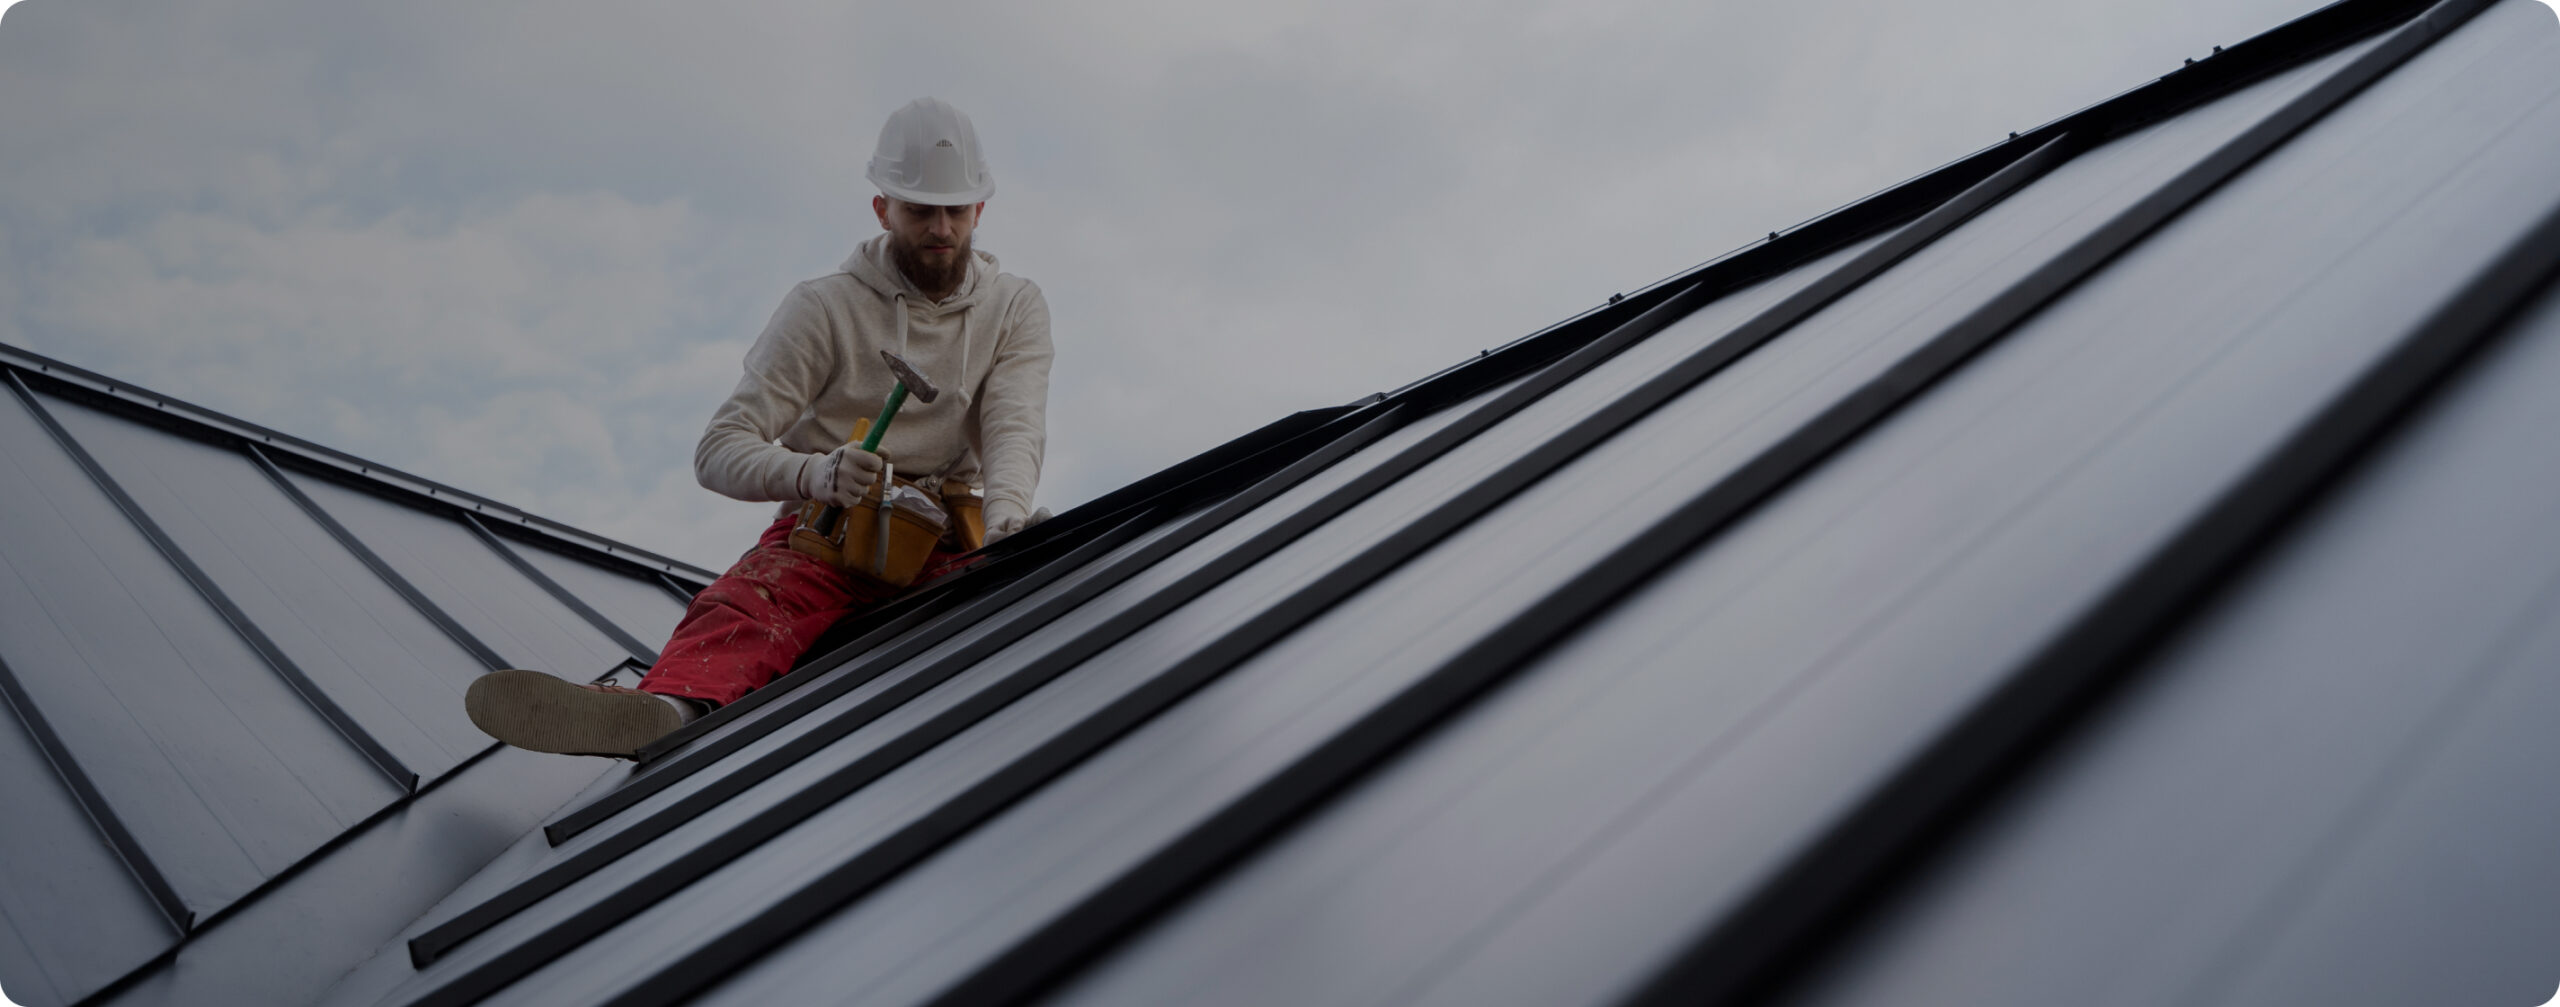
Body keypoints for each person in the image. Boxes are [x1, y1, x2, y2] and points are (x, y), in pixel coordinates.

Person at [465, 97, 1053, 758]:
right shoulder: (824, 308)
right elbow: (718, 449)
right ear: (883, 208)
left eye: (956, 209)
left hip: (946, 544)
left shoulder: (1014, 309)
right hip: (829, 540)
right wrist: (816, 471)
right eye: (920, 209)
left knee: (1036, 601)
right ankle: (666, 711)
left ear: (981, 210)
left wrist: (1008, 522)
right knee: (747, 611)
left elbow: (1013, 425)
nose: (941, 227)